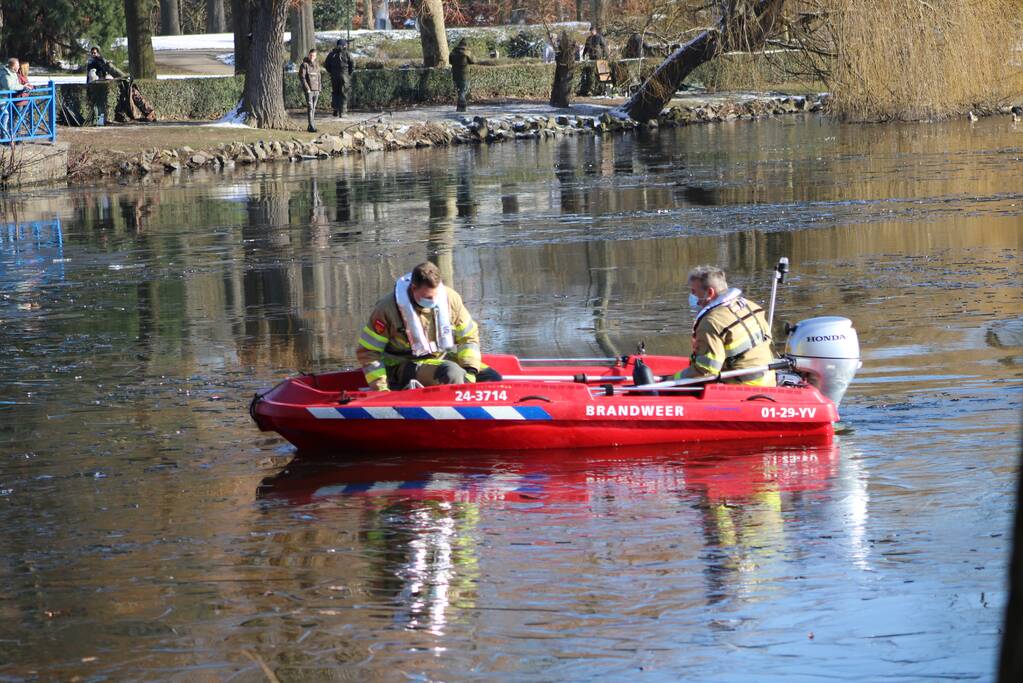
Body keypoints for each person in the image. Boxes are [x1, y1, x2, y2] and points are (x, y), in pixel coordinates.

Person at [356, 261, 500, 391]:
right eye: (428, 297)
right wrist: (381, 389)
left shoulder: (451, 299)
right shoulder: (387, 309)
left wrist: (470, 371)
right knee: (452, 373)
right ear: (413, 288)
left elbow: (468, 337)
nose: (433, 301)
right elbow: (368, 352)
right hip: (401, 366)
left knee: (492, 378)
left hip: (439, 358)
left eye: (436, 296)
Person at [675, 265, 777, 387]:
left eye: (694, 291)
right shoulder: (751, 306)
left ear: (710, 292)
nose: (691, 295)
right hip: (769, 380)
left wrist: (673, 379)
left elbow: (707, 371)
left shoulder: (710, 322)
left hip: (742, 388)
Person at [324, 39, 354, 118]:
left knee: (335, 92)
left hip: (334, 76)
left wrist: (331, 72)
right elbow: (352, 64)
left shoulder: (332, 53)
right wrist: (348, 73)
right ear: (344, 45)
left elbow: (326, 64)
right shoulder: (347, 53)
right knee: (343, 93)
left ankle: (335, 110)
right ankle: (343, 112)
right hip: (344, 76)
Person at [298, 48, 322, 133]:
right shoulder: (304, 65)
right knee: (310, 108)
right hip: (309, 90)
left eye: (314, 55)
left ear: (315, 56)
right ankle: (312, 126)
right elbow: (302, 77)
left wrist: (319, 88)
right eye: (311, 55)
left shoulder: (317, 65)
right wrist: (307, 88)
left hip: (316, 90)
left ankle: (311, 125)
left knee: (314, 108)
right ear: (309, 55)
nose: (312, 57)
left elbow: (319, 77)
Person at [449, 39, 474, 113]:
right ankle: (462, 108)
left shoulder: (453, 52)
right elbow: (473, 61)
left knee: (460, 91)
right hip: (465, 75)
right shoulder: (467, 53)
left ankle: (459, 107)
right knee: (463, 91)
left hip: (455, 75)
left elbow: (450, 61)